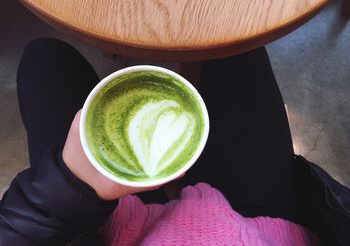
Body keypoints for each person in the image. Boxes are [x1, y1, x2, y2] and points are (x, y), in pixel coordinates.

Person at [0, 38, 349, 245]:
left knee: (43, 58)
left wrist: (67, 187)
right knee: (237, 45)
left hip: (123, 234)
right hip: (270, 229)